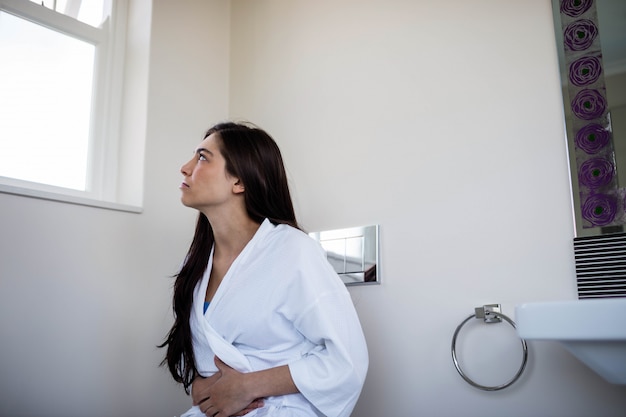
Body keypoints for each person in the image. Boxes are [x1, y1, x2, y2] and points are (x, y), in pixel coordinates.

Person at [159, 122, 369, 417]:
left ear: (239, 181)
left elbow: (346, 360)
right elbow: (207, 353)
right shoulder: (196, 264)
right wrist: (199, 385)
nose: (185, 167)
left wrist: (248, 386)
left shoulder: (293, 251)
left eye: (203, 157)